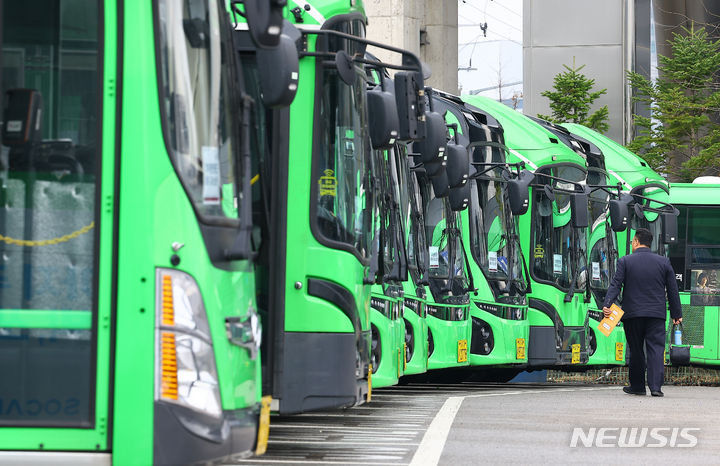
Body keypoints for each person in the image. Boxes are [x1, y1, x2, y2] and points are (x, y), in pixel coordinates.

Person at [602, 228, 681, 397]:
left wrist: (607, 304)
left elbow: (616, 284)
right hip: (656, 315)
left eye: (632, 241)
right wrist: (676, 314)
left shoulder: (625, 261)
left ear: (636, 242)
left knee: (636, 349)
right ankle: (655, 387)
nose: (631, 244)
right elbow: (673, 290)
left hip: (633, 314)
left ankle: (637, 386)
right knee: (656, 349)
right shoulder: (664, 262)